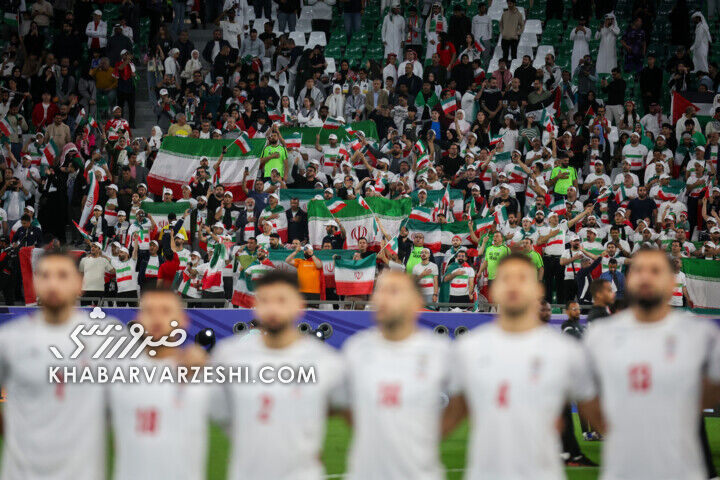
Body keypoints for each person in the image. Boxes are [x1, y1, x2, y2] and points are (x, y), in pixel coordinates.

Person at [442, 254, 597, 478]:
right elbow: (451, 417)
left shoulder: (566, 351)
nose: (514, 285)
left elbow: (600, 417)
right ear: (494, 289)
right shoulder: (467, 348)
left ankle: (571, 453)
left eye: (522, 278)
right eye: (506, 278)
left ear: (538, 290)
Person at [583, 248, 720, 480]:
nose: (646, 277)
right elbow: (587, 397)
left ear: (671, 282)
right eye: (638, 270)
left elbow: (711, 391)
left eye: (655, 271)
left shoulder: (701, 336)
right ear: (628, 280)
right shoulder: (600, 335)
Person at [211, 270, 344, 479]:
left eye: (281, 300)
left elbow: (350, 411)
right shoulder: (227, 356)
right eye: (265, 300)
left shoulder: (326, 361)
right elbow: (218, 412)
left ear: (299, 305)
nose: (273, 308)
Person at [0, 249, 108, 479]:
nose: (53, 284)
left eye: (62, 275)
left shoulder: (108, 338)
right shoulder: (9, 340)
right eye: (45, 276)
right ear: (35, 283)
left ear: (79, 284)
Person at [341, 269, 451, 479]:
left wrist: (427, 436)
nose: (383, 298)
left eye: (394, 291)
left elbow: (462, 402)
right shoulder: (355, 349)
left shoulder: (440, 352)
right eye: (379, 290)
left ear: (416, 301)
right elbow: (342, 404)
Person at [108, 287, 209, 480]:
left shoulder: (204, 374)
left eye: (165, 311)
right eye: (149, 311)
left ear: (183, 320)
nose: (156, 318)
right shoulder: (115, 373)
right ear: (137, 320)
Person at [559, 299, 598, 466]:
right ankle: (584, 433)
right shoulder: (567, 326)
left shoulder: (581, 327)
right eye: (574, 309)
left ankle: (593, 432)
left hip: (584, 368)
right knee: (579, 402)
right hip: (571, 369)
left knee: (588, 399)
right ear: (567, 311)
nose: (577, 311)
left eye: (578, 309)